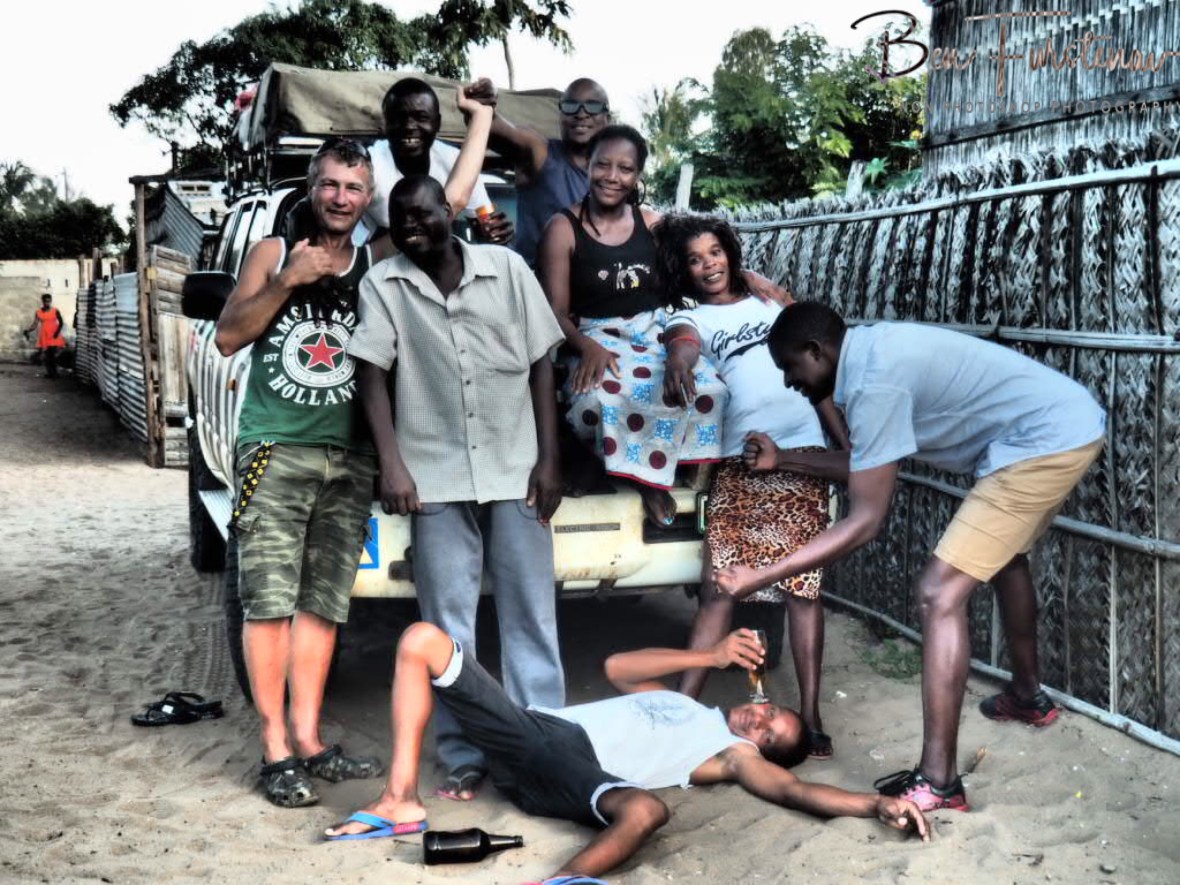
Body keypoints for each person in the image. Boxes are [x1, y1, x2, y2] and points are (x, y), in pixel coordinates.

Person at [716, 301, 1107, 812]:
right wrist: (783, 459)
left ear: (816, 351)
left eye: (791, 367)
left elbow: (865, 520)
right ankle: (1028, 696)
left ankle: (940, 782)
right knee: (1005, 557)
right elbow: (868, 462)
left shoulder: (875, 383)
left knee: (938, 592)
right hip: (1062, 427)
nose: (790, 382)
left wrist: (762, 575)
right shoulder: (872, 355)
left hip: (1042, 442)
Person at [324, 623, 929, 882]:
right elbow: (618, 667)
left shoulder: (731, 754)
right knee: (421, 641)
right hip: (531, 734)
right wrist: (712, 657)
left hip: (569, 766)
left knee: (645, 810)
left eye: (770, 736)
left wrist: (874, 804)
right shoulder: (690, 709)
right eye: (771, 712)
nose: (760, 722)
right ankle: (401, 800)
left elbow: (795, 791)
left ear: (762, 752)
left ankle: (562, 881)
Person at [348, 175, 566, 803]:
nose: (415, 228)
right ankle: (465, 754)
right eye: (402, 221)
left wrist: (550, 459)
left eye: (425, 215)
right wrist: (393, 465)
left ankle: (543, 744)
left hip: (514, 462)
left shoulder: (506, 268)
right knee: (446, 625)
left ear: (451, 211)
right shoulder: (383, 284)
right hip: (433, 469)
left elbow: (542, 363)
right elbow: (371, 375)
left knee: (530, 614)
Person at [213, 139, 384, 808]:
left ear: (368, 199)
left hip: (351, 453)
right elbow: (229, 335)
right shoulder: (273, 253)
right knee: (269, 601)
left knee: (323, 603)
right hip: (276, 447)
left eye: (355, 187)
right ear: (312, 188)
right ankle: (275, 747)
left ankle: (311, 739)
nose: (342, 196)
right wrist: (291, 280)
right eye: (332, 184)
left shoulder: (375, 262)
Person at [654, 215, 850, 759]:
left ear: (731, 254)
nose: (708, 264)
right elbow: (685, 343)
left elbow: (820, 381)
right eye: (694, 259)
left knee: (803, 590)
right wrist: (680, 361)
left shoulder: (770, 302)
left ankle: (810, 716)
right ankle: (683, 713)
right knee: (720, 587)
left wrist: (843, 445)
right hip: (742, 455)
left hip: (804, 449)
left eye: (716, 253)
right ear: (684, 270)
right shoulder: (685, 313)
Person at [538, 125, 730, 526]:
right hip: (593, 336)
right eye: (602, 164)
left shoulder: (653, 224)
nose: (612, 176)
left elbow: (700, 259)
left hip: (653, 333)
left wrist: (752, 282)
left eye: (625, 168)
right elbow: (553, 312)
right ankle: (647, 481)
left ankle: (680, 473)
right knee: (601, 400)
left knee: (708, 388)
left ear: (638, 175)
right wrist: (585, 346)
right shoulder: (562, 228)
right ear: (586, 167)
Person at [359, 77, 512, 247]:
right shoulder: (368, 166)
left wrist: (493, 232)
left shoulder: (456, 161)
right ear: (386, 123)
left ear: (437, 123)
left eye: (421, 117)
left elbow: (483, 222)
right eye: (399, 118)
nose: (409, 126)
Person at [479, 77, 611, 268]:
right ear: (560, 115)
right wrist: (484, 106)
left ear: (608, 118)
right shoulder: (540, 152)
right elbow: (494, 129)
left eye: (593, 106)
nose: (581, 114)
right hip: (535, 287)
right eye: (570, 105)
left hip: (594, 287)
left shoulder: (615, 176)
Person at [25, 293, 67, 378]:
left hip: (54, 334)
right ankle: (50, 373)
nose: (47, 303)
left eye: (48, 301)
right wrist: (28, 330)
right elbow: (35, 324)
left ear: (50, 301)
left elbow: (61, 323)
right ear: (42, 301)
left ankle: (55, 373)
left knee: (52, 354)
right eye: (45, 301)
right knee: (47, 355)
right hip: (44, 334)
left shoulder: (55, 310)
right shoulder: (38, 312)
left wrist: (56, 333)